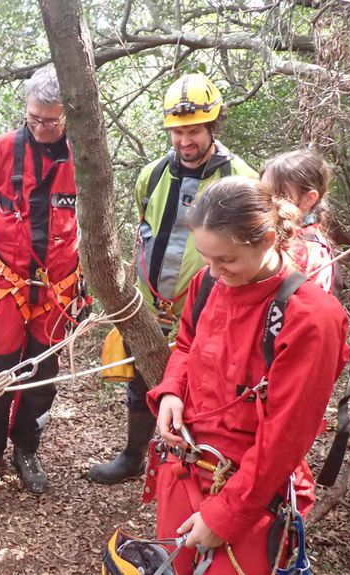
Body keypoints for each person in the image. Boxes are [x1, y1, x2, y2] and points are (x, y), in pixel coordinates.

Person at [145, 176, 349, 574]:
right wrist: (172, 392)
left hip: (253, 493)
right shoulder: (208, 283)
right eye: (206, 257)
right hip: (186, 469)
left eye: (227, 260)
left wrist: (226, 514)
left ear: (268, 238)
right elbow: (186, 343)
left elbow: (285, 435)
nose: (216, 271)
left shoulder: (311, 318)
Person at [90, 73, 259, 485]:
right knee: (143, 382)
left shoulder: (242, 181)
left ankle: (195, 467)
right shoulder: (152, 175)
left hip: (210, 308)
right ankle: (134, 457)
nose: (186, 141)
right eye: (178, 132)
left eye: (195, 131)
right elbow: (145, 230)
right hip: (150, 304)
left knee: (203, 392)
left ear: (213, 125)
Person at [0, 64, 87, 494]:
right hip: (9, 284)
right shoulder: (0, 152)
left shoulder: (83, 157)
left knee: (42, 370)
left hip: (58, 288)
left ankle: (26, 447)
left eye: (51, 120)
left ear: (67, 115)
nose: (42, 127)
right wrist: (13, 237)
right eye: (34, 118)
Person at [262, 149, 339, 294]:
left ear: (308, 199)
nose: (268, 202)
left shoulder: (311, 252)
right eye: (263, 193)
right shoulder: (273, 232)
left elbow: (310, 307)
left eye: (278, 195)